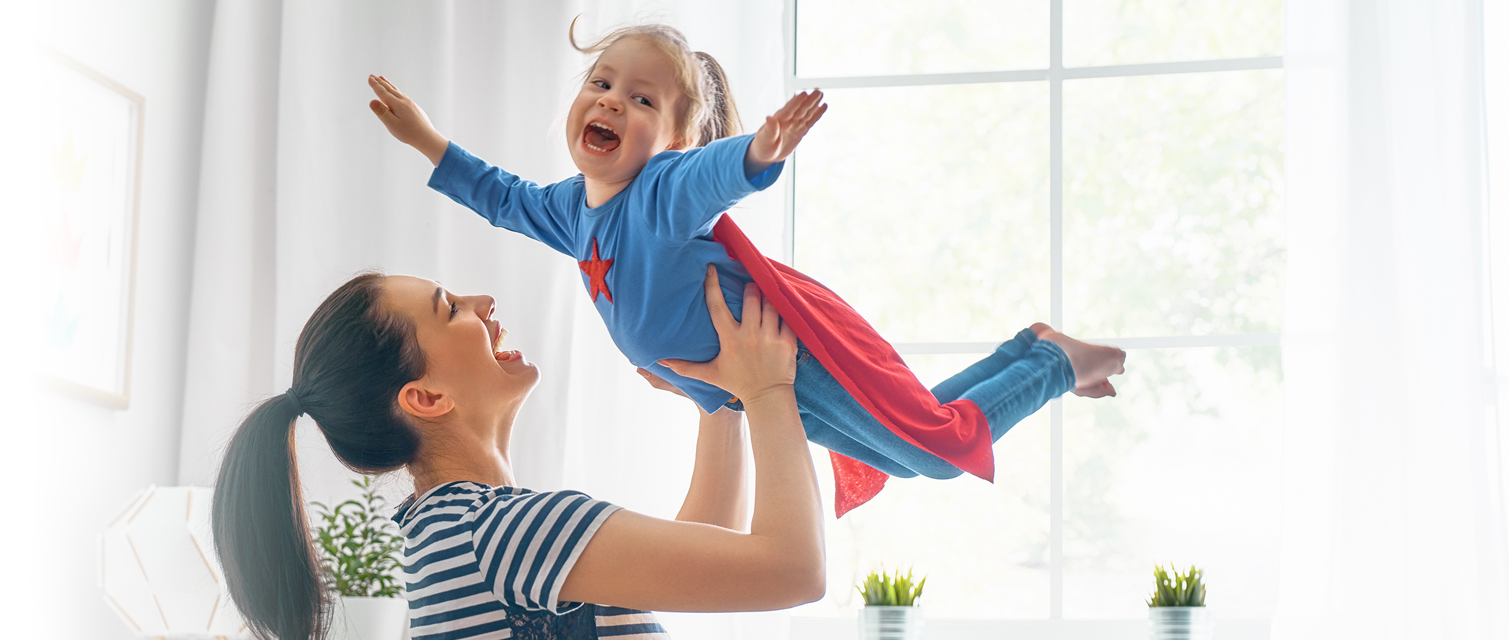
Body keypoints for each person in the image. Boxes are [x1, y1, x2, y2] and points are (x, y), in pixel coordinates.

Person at [366, 21, 1127, 514]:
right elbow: (501, 198)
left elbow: (710, 178)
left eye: (640, 99)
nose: (609, 103)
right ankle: (1030, 352)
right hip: (746, 386)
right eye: (601, 84)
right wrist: (427, 140)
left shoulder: (660, 191)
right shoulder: (571, 209)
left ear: (673, 137)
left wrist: (759, 152)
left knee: (931, 455)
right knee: (914, 447)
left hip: (784, 364)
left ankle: (1051, 362)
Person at [213, 269, 825, 639]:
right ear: (426, 397)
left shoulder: (461, 532)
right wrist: (768, 389)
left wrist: (717, 396)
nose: (483, 304)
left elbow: (705, 545)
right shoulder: (498, 532)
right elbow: (792, 570)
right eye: (451, 309)